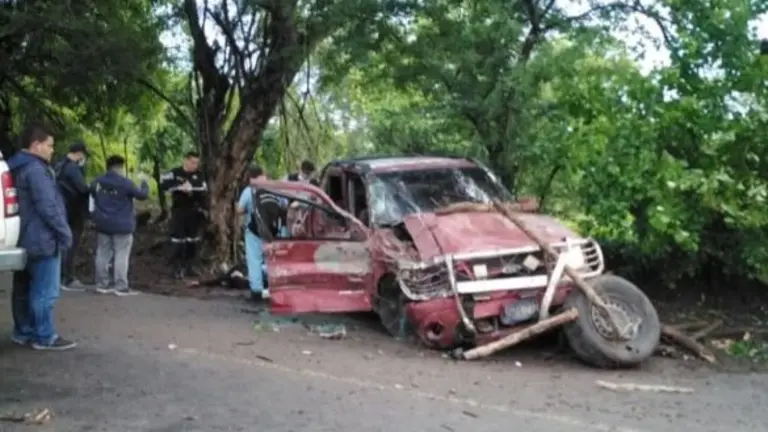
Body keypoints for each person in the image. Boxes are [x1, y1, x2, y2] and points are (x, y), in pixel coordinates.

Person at [8, 123, 75, 350]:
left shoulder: (14, 167)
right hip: (43, 238)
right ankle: (44, 336)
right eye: (49, 145)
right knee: (45, 291)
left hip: (21, 236)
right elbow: (48, 206)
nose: (52, 150)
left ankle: (23, 332)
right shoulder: (36, 170)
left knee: (23, 289)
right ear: (36, 145)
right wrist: (64, 232)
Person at [89, 155, 149, 296]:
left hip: (103, 223)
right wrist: (144, 183)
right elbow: (142, 195)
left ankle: (102, 284)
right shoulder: (125, 183)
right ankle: (121, 286)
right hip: (122, 225)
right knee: (121, 254)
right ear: (120, 167)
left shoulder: (97, 182)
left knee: (102, 253)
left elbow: (90, 195)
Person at [237, 165, 286, 301]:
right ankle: (274, 289)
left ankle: (257, 291)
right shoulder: (275, 189)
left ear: (250, 176)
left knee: (254, 261)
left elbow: (239, 210)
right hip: (273, 232)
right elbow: (284, 207)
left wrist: (250, 209)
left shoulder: (249, 190)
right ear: (263, 173)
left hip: (254, 231)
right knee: (272, 260)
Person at [159, 151, 207, 279]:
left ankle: (190, 267)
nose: (195, 165)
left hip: (193, 211)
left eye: (197, 163)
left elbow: (202, 187)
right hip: (179, 211)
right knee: (178, 240)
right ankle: (176, 268)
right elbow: (163, 185)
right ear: (185, 160)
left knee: (192, 240)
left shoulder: (199, 175)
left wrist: (192, 188)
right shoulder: (175, 173)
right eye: (192, 162)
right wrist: (179, 187)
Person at [53, 141, 90, 291]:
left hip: (62, 208)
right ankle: (67, 277)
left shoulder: (59, 164)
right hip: (74, 210)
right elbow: (83, 189)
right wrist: (92, 187)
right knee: (71, 243)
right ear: (79, 153)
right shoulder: (73, 168)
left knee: (63, 243)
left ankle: (60, 275)